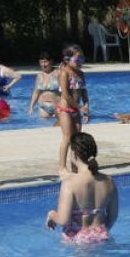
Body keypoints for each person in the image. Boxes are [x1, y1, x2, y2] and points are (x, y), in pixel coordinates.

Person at [45, 132, 119, 243]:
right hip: (102, 237)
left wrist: (51, 215)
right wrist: (100, 232)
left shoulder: (70, 183)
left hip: (77, 240)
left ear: (74, 154)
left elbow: (63, 220)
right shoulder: (109, 181)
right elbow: (113, 216)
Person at [56, 45, 89, 174]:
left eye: (82, 59)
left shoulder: (81, 74)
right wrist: (80, 107)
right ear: (67, 60)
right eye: (77, 59)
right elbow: (65, 94)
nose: (80, 62)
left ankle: (75, 165)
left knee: (77, 139)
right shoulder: (64, 73)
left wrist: (86, 105)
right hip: (65, 110)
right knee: (67, 137)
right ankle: (62, 167)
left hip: (76, 110)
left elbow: (84, 91)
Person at [27, 52, 62, 119]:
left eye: (45, 62)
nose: (43, 64)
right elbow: (36, 92)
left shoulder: (58, 73)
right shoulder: (39, 76)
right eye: (41, 62)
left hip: (57, 106)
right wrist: (31, 107)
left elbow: (64, 90)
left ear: (51, 61)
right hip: (43, 107)